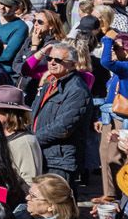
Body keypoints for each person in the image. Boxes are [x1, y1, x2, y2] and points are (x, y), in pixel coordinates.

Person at [30, 42, 94, 188]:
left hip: (60, 159)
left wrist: (32, 140)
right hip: (43, 153)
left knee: (58, 204)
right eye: (49, 58)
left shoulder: (77, 90)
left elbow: (63, 127)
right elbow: (33, 113)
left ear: (72, 64)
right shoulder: (50, 83)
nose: (52, 62)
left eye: (58, 60)